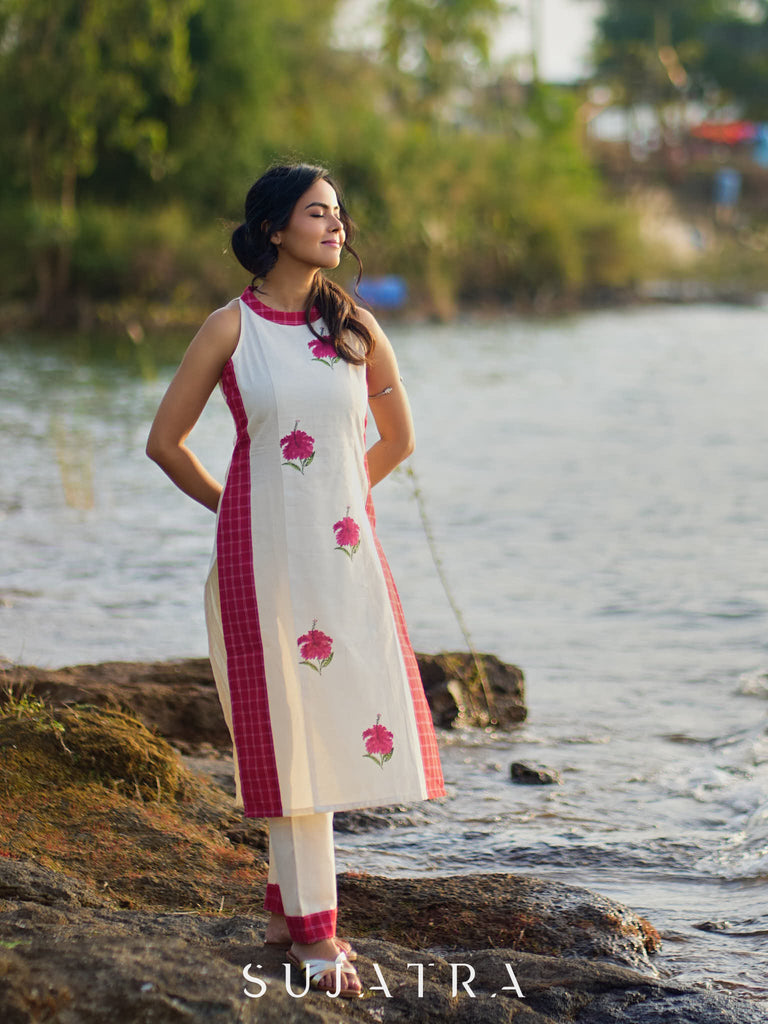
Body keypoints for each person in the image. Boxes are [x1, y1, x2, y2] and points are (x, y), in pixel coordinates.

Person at [146, 163, 445, 997]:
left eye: (339, 213)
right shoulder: (230, 329)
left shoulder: (356, 327)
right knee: (288, 728)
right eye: (318, 213)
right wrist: (237, 505)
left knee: (333, 717)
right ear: (274, 229)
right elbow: (165, 443)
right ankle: (317, 937)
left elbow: (398, 439)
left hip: (341, 557)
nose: (336, 225)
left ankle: (285, 913)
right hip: (262, 557)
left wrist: (333, 504)